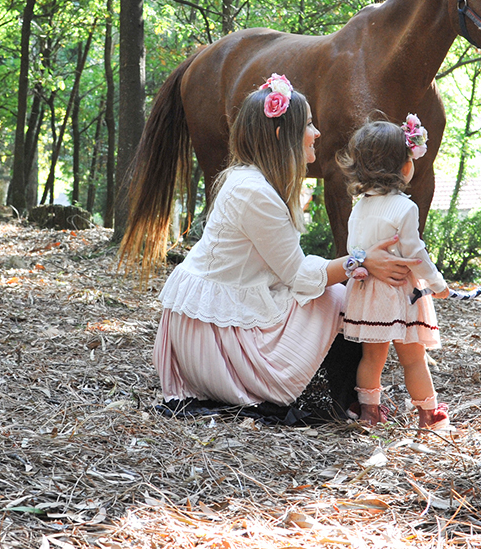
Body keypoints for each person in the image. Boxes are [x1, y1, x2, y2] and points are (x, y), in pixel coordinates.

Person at [117, 74, 420, 411]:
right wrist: (361, 261)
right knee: (340, 296)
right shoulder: (254, 192)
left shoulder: (250, 181)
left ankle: (353, 394)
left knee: (335, 290)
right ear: (281, 135)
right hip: (214, 334)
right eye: (308, 125)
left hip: (211, 321)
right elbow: (300, 276)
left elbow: (287, 271)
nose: (316, 133)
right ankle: (346, 398)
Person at [337, 115, 452, 431]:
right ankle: (428, 415)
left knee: (371, 358)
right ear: (405, 166)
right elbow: (415, 254)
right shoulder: (405, 207)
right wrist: (437, 283)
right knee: (413, 357)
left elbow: (354, 248)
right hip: (401, 291)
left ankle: (369, 413)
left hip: (367, 293)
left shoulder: (359, 206)